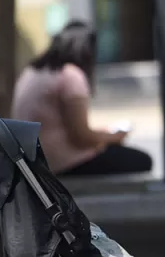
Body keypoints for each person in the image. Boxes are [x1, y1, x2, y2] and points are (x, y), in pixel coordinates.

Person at [11, 21, 152, 176]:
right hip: (63, 162)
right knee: (142, 160)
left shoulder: (33, 71)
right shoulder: (70, 75)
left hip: (34, 159)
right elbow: (81, 137)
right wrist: (114, 137)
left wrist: (102, 133)